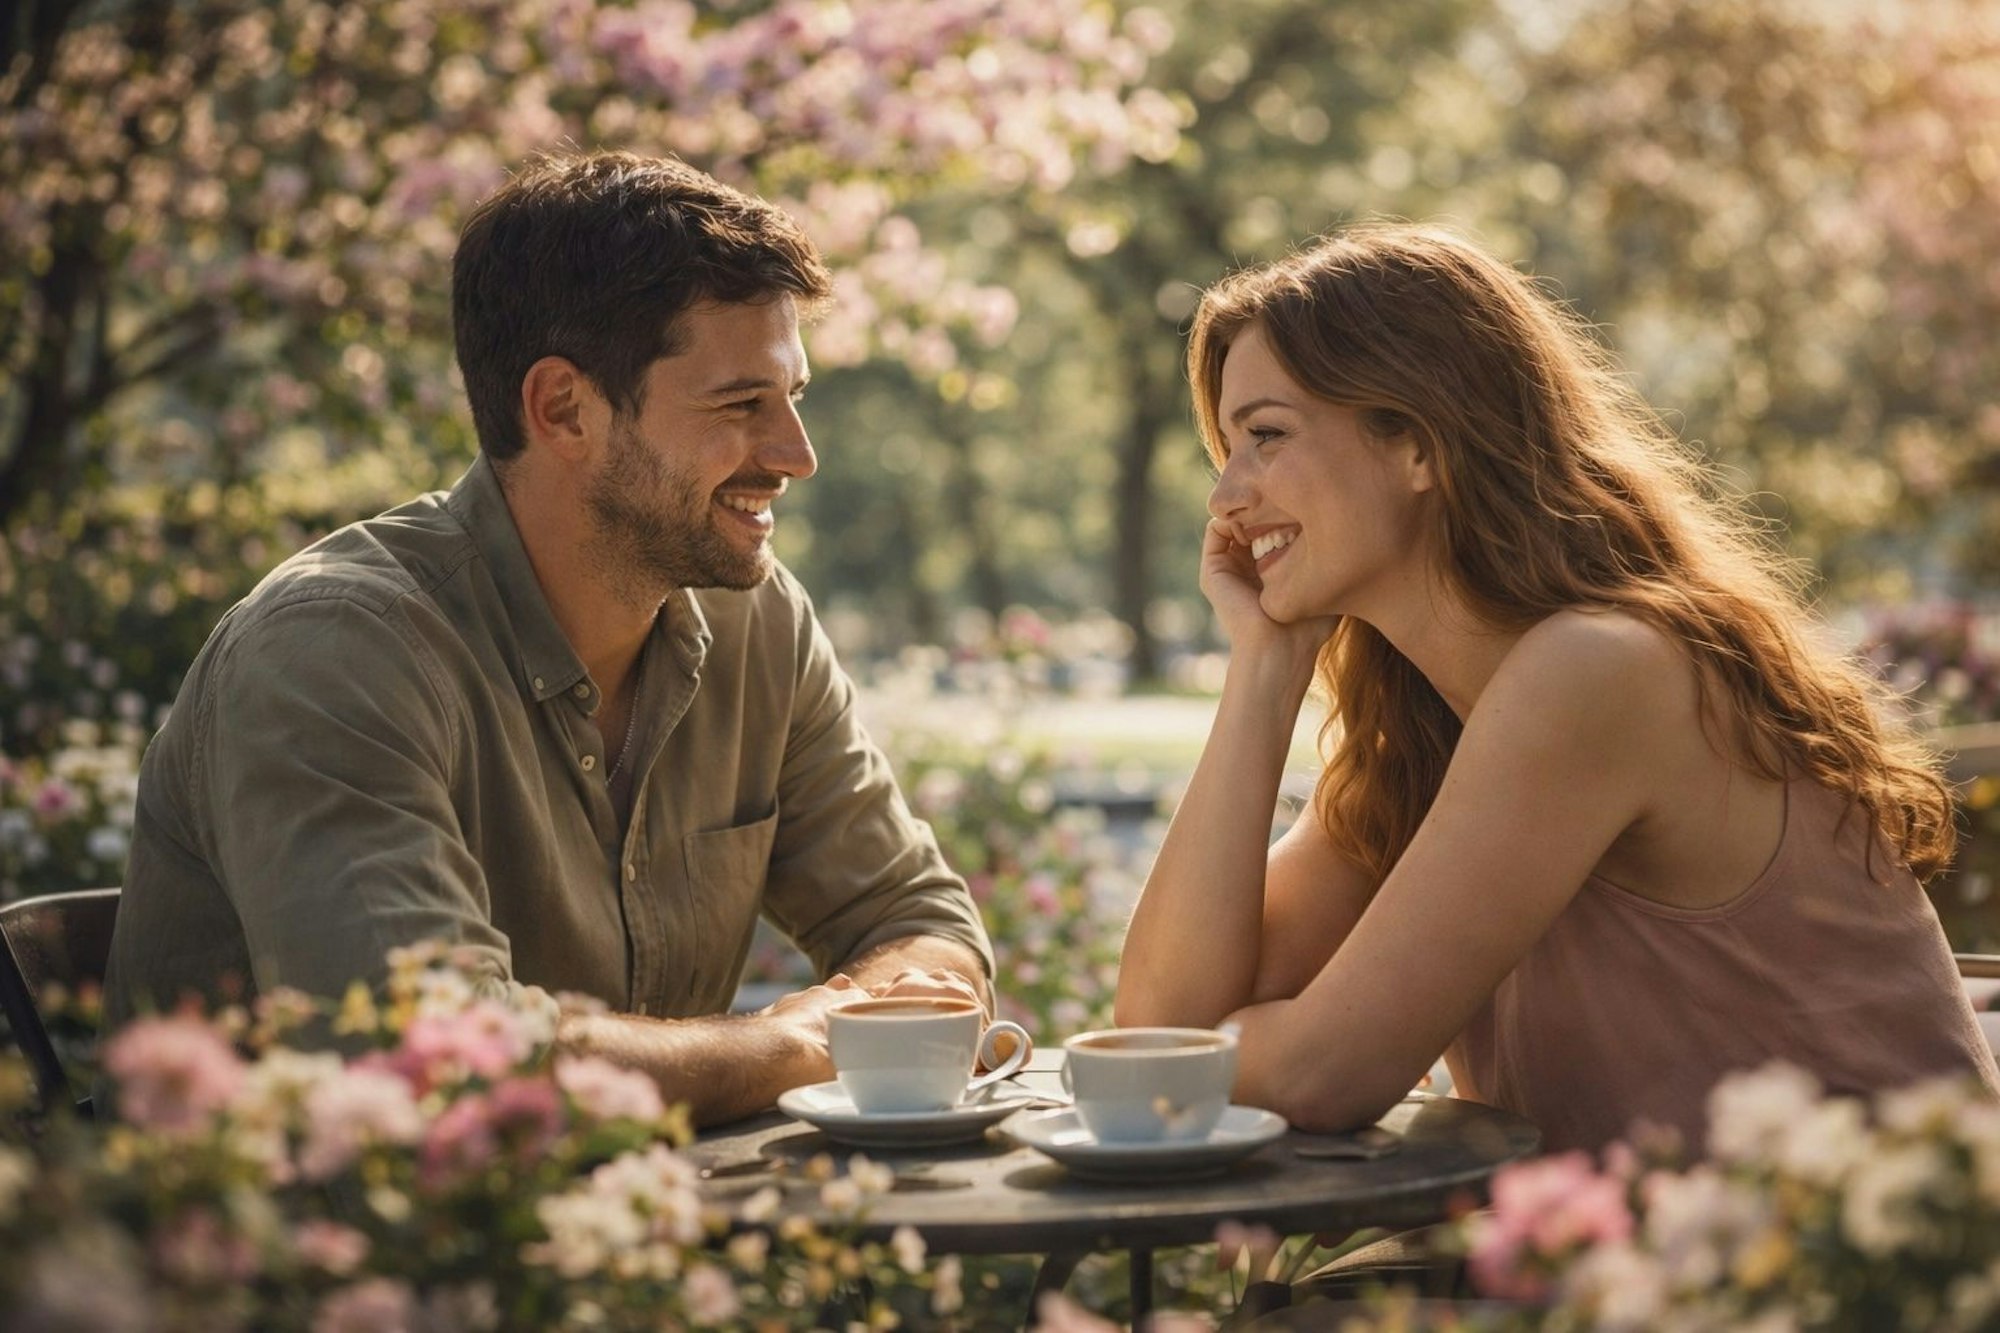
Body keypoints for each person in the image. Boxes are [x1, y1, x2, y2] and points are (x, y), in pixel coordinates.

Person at [103, 151, 997, 1126]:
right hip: (304, 1224)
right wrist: (789, 1045)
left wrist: (845, 1016)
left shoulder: (757, 622)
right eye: (741, 404)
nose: (797, 454)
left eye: (794, 396)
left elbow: (919, 921)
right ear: (563, 408)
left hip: (651, 1212)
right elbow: (435, 1055)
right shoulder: (329, 656)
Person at [1115, 223, 2000, 1156]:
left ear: (1419, 445)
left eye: (1265, 436)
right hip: (1656, 1243)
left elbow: (1318, 1075)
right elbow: (1158, 1027)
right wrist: (1264, 670)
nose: (1225, 497)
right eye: (1227, 449)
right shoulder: (1426, 741)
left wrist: (1229, 1049)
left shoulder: (1601, 673)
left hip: (1859, 1246)